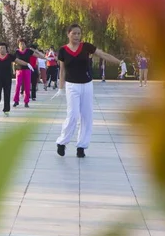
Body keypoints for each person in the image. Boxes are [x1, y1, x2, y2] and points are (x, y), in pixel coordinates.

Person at [54, 24, 121, 158]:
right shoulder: (63, 50)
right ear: (68, 34)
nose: (77, 36)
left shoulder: (86, 47)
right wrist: (60, 88)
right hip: (72, 86)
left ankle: (81, 146)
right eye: (74, 33)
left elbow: (102, 54)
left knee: (87, 115)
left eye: (79, 33)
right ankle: (62, 142)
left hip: (87, 85)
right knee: (72, 115)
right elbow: (62, 70)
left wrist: (120, 62)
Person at [0, 42, 33, 116]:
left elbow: (18, 61)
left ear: (6, 49)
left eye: (4, 48)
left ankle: (6, 109)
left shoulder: (9, 56)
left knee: (7, 93)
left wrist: (27, 64)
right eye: (1, 48)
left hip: (7, 78)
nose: (2, 49)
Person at [13, 39, 43, 108]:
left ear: (25, 45)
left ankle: (26, 102)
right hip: (19, 71)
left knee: (27, 86)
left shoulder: (29, 51)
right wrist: (13, 70)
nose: (22, 45)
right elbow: (13, 61)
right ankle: (16, 101)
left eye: (23, 44)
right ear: (18, 45)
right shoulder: (16, 52)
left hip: (27, 70)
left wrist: (45, 58)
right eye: (20, 44)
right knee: (17, 86)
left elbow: (38, 55)